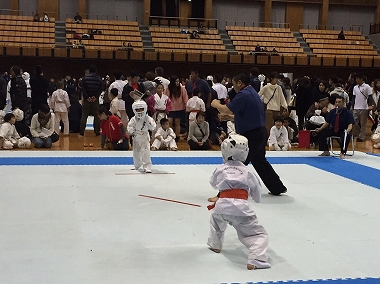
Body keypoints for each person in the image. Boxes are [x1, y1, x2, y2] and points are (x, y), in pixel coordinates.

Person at [211, 70, 287, 196]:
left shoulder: (243, 94)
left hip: (252, 135)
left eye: (234, 83)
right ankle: (277, 187)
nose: (233, 86)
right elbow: (248, 116)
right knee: (260, 161)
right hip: (260, 132)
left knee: (237, 163)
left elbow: (226, 109)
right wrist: (230, 118)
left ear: (240, 83)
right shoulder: (252, 92)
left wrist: (216, 104)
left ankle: (224, 194)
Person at [207, 134, 271, 270]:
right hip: (241, 210)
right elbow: (257, 196)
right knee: (258, 235)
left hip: (221, 207)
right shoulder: (248, 172)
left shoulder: (220, 169)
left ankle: (215, 245)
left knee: (216, 221)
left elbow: (213, 183)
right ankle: (256, 258)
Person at [127, 100, 156, 173]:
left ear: (145, 109)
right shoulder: (133, 119)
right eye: (137, 110)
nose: (139, 111)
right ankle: (137, 165)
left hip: (144, 136)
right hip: (136, 136)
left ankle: (147, 167)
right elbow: (130, 126)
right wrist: (131, 131)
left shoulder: (148, 118)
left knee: (146, 152)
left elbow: (153, 127)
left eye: (141, 109)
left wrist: (150, 125)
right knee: (136, 152)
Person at [259, 71, 287, 135]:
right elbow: (258, 96)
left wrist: (285, 106)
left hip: (277, 110)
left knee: (278, 126)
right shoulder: (266, 87)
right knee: (268, 126)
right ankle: (268, 140)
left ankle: (277, 139)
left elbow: (282, 98)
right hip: (269, 110)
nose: (277, 80)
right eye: (276, 78)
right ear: (271, 78)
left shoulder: (278, 88)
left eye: (277, 78)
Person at [79, 65, 103, 136]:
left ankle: (82, 132)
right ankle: (97, 131)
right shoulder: (99, 79)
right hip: (95, 100)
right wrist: (95, 97)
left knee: (84, 115)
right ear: (96, 71)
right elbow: (100, 89)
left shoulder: (84, 79)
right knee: (96, 116)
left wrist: (87, 97)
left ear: (89, 71)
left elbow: (83, 89)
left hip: (86, 100)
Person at [352, 73, 375, 142]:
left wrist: (370, 105)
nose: (356, 80)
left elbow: (370, 97)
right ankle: (357, 133)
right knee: (354, 122)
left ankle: (361, 136)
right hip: (356, 107)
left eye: (357, 79)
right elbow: (354, 97)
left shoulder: (367, 87)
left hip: (364, 107)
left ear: (361, 79)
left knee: (363, 123)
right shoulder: (355, 87)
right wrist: (352, 106)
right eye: (356, 79)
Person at [165, 75, 188, 141]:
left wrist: (186, 106)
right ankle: (171, 135)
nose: (178, 83)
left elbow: (185, 98)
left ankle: (177, 136)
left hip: (179, 108)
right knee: (170, 122)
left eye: (178, 81)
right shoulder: (167, 89)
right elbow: (165, 98)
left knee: (177, 123)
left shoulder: (182, 89)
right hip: (170, 108)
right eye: (176, 81)